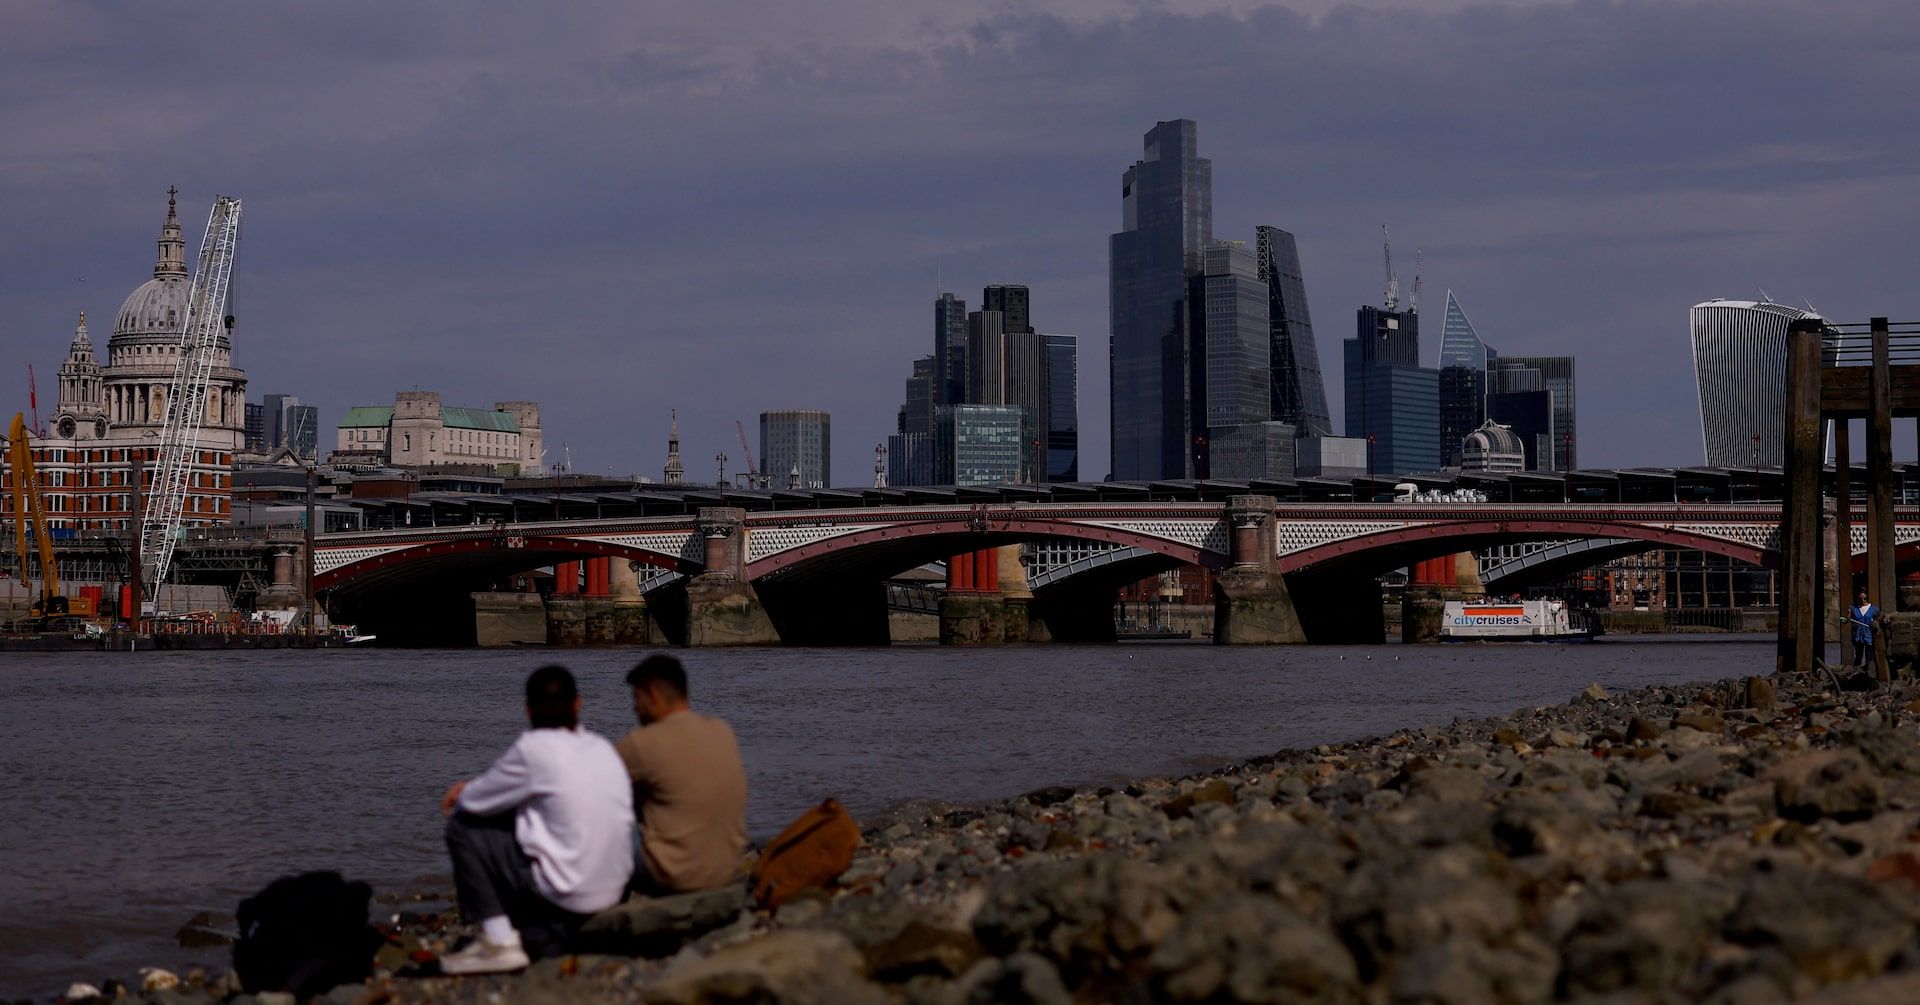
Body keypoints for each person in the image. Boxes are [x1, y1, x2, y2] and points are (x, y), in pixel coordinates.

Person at [438, 666, 634, 974]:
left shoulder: (534, 748)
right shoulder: (602, 747)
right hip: (614, 891)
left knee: (463, 828)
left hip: (569, 895)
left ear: (527, 708)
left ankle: (500, 942)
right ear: (578, 704)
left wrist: (466, 790)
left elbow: (471, 803)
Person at [615, 654, 748, 896]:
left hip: (674, 876)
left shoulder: (642, 743)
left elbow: (590, 785)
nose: (634, 708)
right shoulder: (722, 731)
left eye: (636, 698)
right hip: (726, 870)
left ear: (653, 695)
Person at [1852, 590, 1882, 669]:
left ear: (1867, 598)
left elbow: (1880, 619)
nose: (1862, 600)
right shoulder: (1854, 609)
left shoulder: (1874, 609)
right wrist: (1844, 619)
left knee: (1869, 655)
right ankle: (1856, 672)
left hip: (1869, 635)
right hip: (1858, 635)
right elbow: (1847, 618)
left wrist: (1875, 623)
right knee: (1858, 655)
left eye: (1864, 598)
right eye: (1860, 599)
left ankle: (1869, 671)